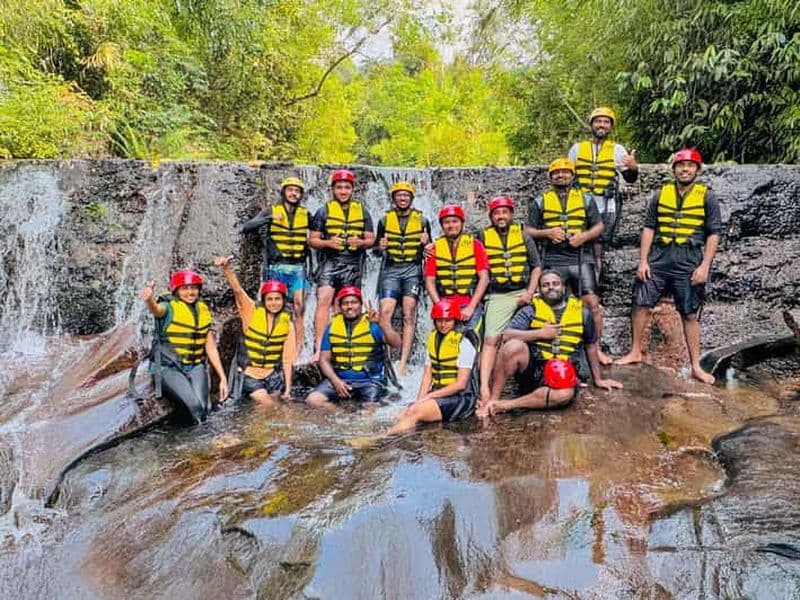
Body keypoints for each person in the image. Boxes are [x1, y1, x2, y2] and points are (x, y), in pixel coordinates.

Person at [616, 148, 723, 384]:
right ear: (674, 169)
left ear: (697, 170)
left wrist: (705, 266)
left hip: (688, 260)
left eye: (690, 166)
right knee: (640, 302)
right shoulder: (660, 194)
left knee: (689, 313)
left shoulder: (707, 197)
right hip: (659, 258)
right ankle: (635, 351)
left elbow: (714, 233)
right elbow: (649, 228)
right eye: (681, 165)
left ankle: (696, 366)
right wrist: (643, 261)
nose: (685, 169)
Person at [477, 270, 622, 417]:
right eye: (545, 285)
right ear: (539, 290)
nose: (551, 287)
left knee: (564, 395)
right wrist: (540, 333)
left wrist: (598, 380)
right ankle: (493, 401)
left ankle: (507, 405)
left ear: (563, 287)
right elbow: (507, 335)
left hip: (564, 373)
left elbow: (591, 345)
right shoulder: (531, 310)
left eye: (555, 284)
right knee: (512, 346)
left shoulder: (583, 313)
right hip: (535, 371)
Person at [527, 158, 612, 364]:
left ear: (572, 176)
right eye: (556, 173)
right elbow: (527, 231)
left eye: (565, 172)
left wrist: (584, 236)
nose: (561, 175)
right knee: (548, 304)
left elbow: (599, 226)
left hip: (580, 257)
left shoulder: (586, 199)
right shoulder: (540, 201)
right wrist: (547, 233)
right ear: (550, 177)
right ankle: (551, 351)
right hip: (552, 259)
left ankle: (596, 349)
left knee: (592, 304)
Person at [477, 195, 541, 406]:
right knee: (490, 339)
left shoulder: (524, 236)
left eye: (505, 212)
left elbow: (536, 267)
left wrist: (530, 292)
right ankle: (484, 388)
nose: (501, 216)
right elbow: (462, 247)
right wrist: (429, 247)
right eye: (496, 213)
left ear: (511, 214)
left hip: (522, 291)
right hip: (498, 295)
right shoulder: (482, 237)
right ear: (491, 217)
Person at [140, 270, 228, 424]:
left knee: (205, 408)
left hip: (194, 366)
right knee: (195, 407)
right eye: (185, 288)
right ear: (176, 290)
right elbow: (156, 310)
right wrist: (149, 300)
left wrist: (223, 378)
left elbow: (211, 348)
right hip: (168, 367)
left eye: (193, 288)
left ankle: (201, 434)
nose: (190, 292)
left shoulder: (203, 309)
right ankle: (203, 438)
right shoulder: (168, 306)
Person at [309, 170, 375, 361]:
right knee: (323, 300)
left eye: (347, 187)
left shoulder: (362, 211)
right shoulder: (323, 211)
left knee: (346, 305)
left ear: (353, 189)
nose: (343, 191)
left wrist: (360, 243)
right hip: (330, 262)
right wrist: (328, 243)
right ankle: (319, 348)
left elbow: (371, 239)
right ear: (333, 189)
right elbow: (312, 240)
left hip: (353, 265)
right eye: (339, 187)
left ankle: (341, 348)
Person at [386, 300, 479, 434]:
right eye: (439, 320)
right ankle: (390, 432)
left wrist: (429, 397)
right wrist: (419, 401)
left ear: (455, 320)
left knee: (415, 413)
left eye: (447, 320)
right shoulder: (432, 340)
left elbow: (461, 384)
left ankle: (381, 437)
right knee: (401, 414)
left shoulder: (464, 343)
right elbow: (427, 377)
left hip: (461, 398)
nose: (443, 324)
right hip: (439, 394)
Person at [567, 106, 639, 278]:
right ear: (591, 124)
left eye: (606, 122)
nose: (602, 125)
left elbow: (630, 178)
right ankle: (577, 286)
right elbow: (566, 177)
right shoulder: (577, 148)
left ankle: (595, 285)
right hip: (580, 205)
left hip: (606, 206)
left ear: (611, 127)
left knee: (598, 249)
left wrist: (633, 167)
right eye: (598, 121)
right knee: (576, 245)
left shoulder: (617, 150)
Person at [215, 255, 296, 406]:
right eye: (270, 299)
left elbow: (287, 359)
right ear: (264, 300)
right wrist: (226, 268)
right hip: (250, 374)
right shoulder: (251, 311)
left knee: (279, 409)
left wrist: (288, 389)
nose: (274, 303)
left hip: (272, 375)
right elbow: (238, 291)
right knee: (269, 405)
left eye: (277, 299)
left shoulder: (288, 324)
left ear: (283, 300)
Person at [240, 176, 309, 349]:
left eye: (297, 191)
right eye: (290, 190)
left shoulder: (306, 214)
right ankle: (272, 343)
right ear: (283, 192)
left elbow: (319, 231)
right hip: (276, 267)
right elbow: (247, 227)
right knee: (273, 306)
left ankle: (298, 349)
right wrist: (269, 218)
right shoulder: (271, 211)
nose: (294, 194)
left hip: (298, 268)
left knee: (299, 306)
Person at [306, 286, 401, 409]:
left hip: (370, 382)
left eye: (354, 302)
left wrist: (383, 324)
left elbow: (397, 344)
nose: (350, 306)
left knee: (370, 409)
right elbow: (324, 360)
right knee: (313, 400)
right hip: (340, 380)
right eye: (345, 303)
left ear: (361, 304)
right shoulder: (332, 327)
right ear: (340, 306)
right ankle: (341, 415)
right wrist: (335, 381)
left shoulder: (373, 325)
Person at [374, 181, 432, 375]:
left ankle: (403, 363)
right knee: (384, 313)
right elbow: (376, 251)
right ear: (394, 198)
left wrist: (426, 244)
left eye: (406, 195)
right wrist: (380, 247)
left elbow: (430, 251)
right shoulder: (384, 220)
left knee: (409, 314)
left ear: (411, 198)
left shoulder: (423, 221)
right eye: (399, 195)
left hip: (412, 271)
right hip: (391, 270)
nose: (402, 198)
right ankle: (388, 357)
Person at [424, 204, 490, 333]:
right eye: (446, 222)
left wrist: (471, 308)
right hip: (445, 306)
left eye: (455, 221)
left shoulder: (475, 245)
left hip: (469, 305)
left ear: (462, 223)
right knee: (446, 343)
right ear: (441, 225)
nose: (451, 225)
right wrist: (439, 305)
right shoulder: (434, 249)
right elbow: (429, 281)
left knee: (469, 342)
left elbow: (484, 278)